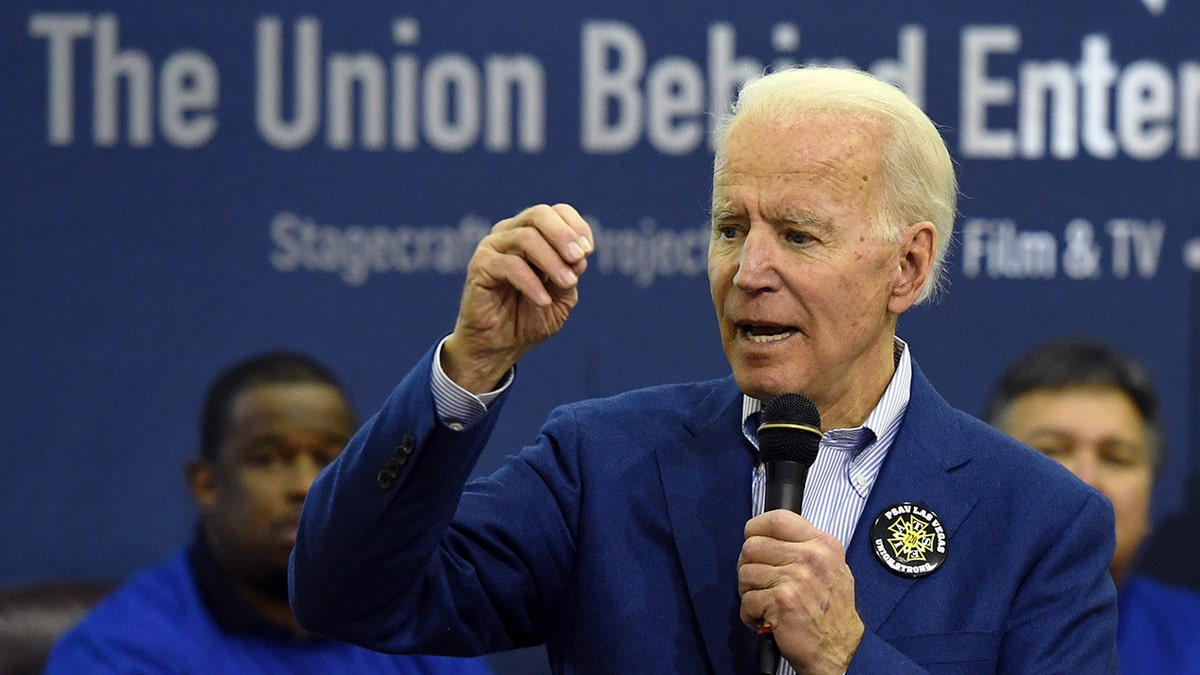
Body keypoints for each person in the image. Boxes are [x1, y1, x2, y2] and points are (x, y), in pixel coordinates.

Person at [290, 65, 1120, 673]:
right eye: (730, 227)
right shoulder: (600, 465)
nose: (748, 268)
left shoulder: (1037, 522)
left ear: (906, 266)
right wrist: (470, 365)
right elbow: (347, 594)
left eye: (797, 234)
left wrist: (850, 657)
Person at [45, 352, 493, 674]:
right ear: (206, 484)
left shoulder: (416, 622)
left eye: (328, 457)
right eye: (266, 459)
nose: (304, 486)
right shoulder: (119, 650)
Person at [986, 337, 1200, 675]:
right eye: (1051, 451)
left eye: (1116, 458)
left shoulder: (1193, 642)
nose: (1086, 482)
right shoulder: (921, 631)